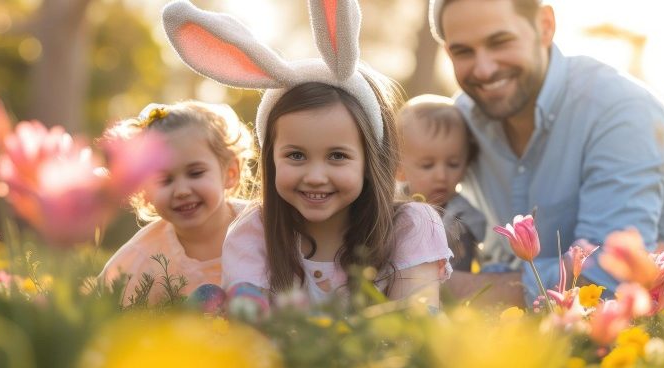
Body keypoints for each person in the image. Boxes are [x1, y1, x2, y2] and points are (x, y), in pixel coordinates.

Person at [161, 0, 452, 308]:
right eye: (296, 156)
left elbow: (416, 325)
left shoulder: (411, 225)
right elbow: (252, 333)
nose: (315, 177)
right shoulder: (252, 234)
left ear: (370, 159)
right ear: (271, 158)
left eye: (337, 156)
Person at [429, 0, 664, 305]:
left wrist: (447, 289)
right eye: (463, 51)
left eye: (500, 42)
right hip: (535, 342)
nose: (483, 69)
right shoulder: (462, 121)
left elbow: (607, 280)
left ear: (545, 26)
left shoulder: (620, 112)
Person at [99, 101, 254, 306]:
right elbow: (103, 315)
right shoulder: (140, 259)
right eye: (165, 180)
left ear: (230, 173)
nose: (181, 191)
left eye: (195, 173)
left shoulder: (263, 227)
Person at [396, 95, 486, 277]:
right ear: (398, 168)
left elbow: (456, 277)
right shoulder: (388, 208)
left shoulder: (461, 219)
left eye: (453, 164)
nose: (442, 176)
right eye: (427, 165)